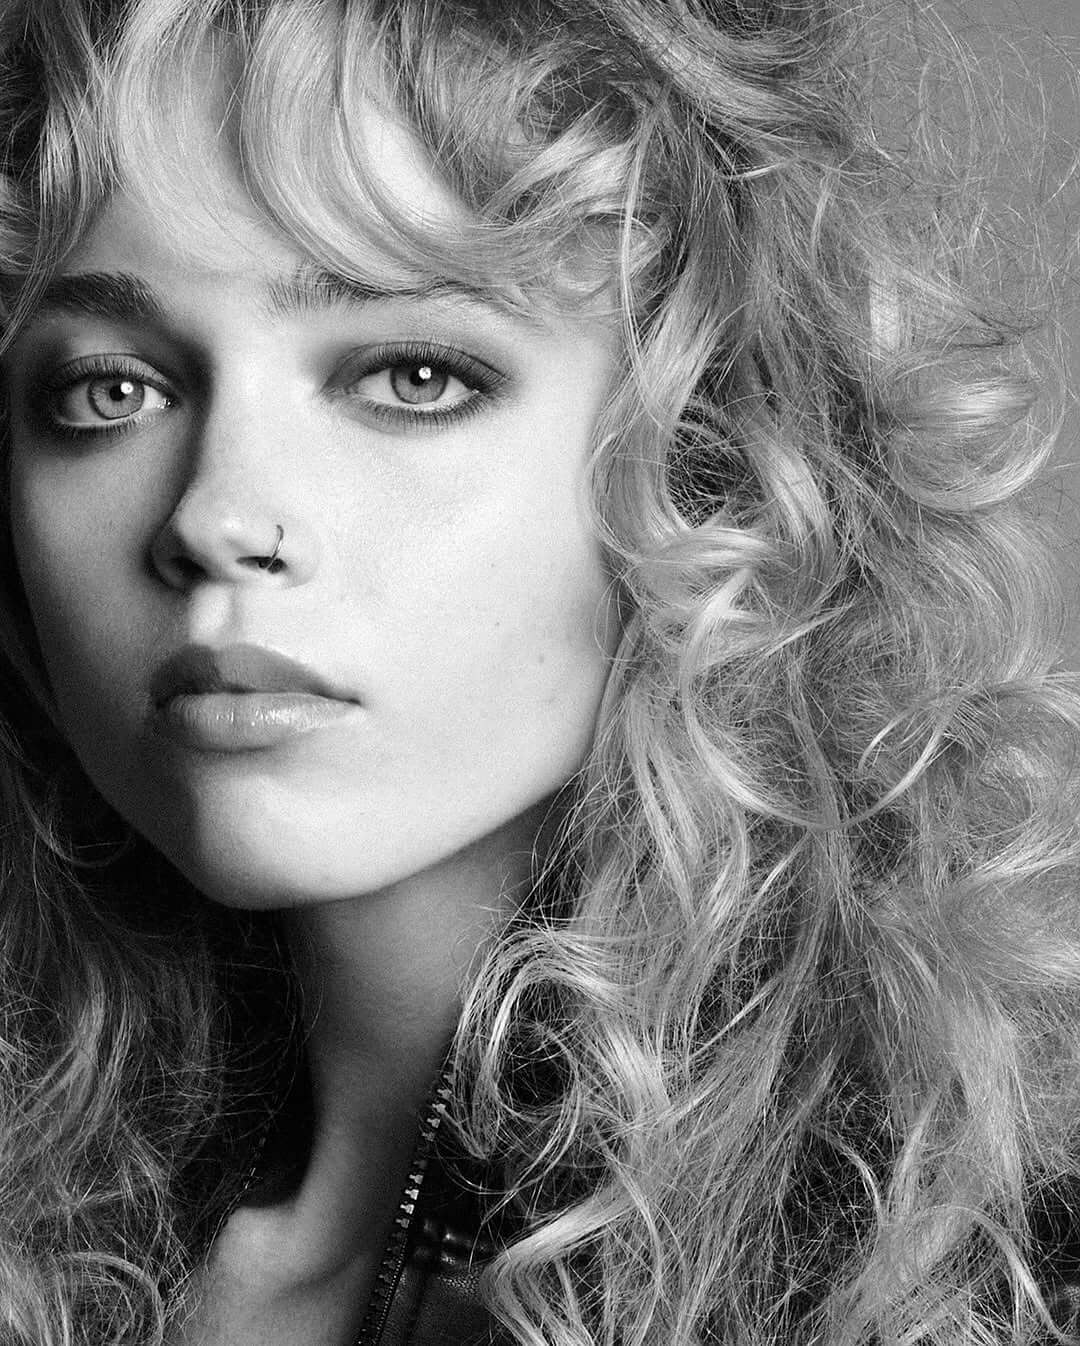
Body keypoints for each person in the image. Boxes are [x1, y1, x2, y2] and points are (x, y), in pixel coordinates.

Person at [0, 0, 1077, 1343]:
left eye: (413, 374)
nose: (217, 514)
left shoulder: (966, 1285)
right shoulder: (58, 1230)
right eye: (110, 391)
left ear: (707, 462)